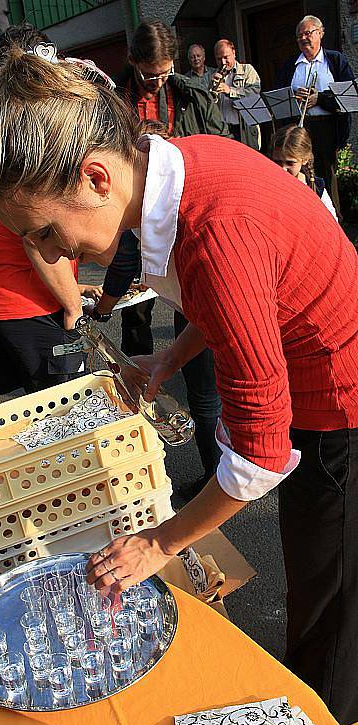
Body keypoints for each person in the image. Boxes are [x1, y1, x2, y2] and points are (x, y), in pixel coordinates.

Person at [0, 49, 358, 725]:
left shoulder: (215, 231)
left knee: (332, 610)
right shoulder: (178, 164)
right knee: (321, 581)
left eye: (45, 233)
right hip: (311, 374)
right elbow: (239, 299)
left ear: (95, 176)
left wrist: (162, 541)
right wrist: (172, 356)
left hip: (339, 402)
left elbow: (261, 455)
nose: (56, 256)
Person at [98, 20, 227, 495]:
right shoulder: (111, 103)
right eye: (150, 76)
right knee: (147, 343)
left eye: (164, 75)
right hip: (141, 229)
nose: (158, 83)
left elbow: (219, 152)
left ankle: (217, 473)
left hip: (187, 231)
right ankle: (148, 451)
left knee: (203, 361)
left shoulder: (191, 97)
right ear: (133, 63)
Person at [0, 23, 98, 395]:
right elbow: (39, 231)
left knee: (32, 420)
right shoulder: (22, 120)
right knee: (72, 424)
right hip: (33, 304)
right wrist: (71, 301)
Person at [274, 15, 355, 217]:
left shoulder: (335, 60)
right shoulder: (291, 64)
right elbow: (278, 95)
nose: (303, 38)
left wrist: (320, 99)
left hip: (326, 126)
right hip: (300, 128)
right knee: (300, 173)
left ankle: (333, 220)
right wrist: (293, 97)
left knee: (326, 175)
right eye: (299, 35)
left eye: (307, 33)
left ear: (320, 33)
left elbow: (349, 94)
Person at [270, 125, 337, 220]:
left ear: (304, 159)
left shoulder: (316, 187)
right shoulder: (267, 185)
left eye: (290, 163)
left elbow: (332, 223)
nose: (283, 169)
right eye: (277, 162)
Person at [212, 39, 261, 148]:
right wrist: (211, 92)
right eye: (219, 59)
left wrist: (230, 91)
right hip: (223, 130)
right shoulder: (214, 74)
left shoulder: (247, 70)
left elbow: (254, 94)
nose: (223, 62)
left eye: (226, 57)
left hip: (243, 129)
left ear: (234, 53)